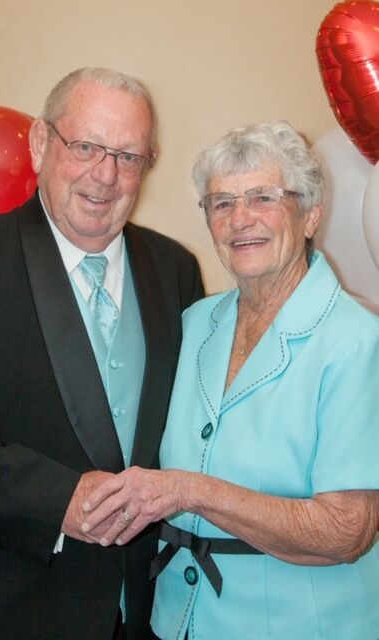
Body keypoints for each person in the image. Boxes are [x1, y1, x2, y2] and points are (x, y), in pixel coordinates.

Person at [78, 121, 379, 640]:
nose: (240, 219)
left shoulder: (357, 341)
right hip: (177, 619)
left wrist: (189, 491)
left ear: (311, 213)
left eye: (263, 197)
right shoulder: (196, 322)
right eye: (221, 203)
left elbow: (345, 531)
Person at [0, 66, 204, 640]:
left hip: (145, 613)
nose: (105, 175)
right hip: (3, 611)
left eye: (128, 156)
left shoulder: (176, 270)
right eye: (86, 146)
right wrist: (57, 499)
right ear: (41, 143)